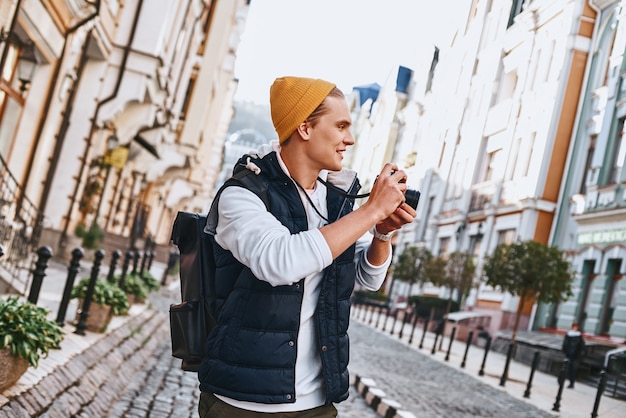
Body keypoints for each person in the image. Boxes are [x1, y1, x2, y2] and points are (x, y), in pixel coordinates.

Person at [197, 76, 417, 417]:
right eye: (341, 125)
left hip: (317, 403)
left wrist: (382, 234)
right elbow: (280, 263)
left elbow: (364, 278)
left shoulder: (336, 201)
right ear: (304, 128)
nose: (350, 138)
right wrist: (371, 210)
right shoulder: (243, 194)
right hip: (242, 401)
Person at [562, 322, 586, 388]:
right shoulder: (569, 334)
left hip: (574, 355)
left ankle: (571, 383)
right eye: (574, 326)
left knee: (571, 369)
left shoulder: (578, 335)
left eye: (576, 326)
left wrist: (579, 354)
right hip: (570, 354)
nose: (575, 328)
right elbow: (565, 344)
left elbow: (582, 346)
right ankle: (562, 380)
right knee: (566, 368)